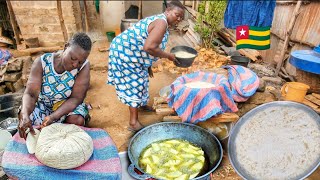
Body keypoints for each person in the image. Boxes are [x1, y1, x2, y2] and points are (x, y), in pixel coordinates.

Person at [107, 0, 185, 131]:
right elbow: (149, 46)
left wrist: (147, 64)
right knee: (134, 84)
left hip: (134, 53)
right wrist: (168, 56)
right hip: (125, 53)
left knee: (142, 78)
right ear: (167, 11)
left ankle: (140, 104)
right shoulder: (161, 23)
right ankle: (133, 122)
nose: (178, 19)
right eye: (177, 15)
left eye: (181, 17)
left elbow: (145, 41)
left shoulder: (162, 21)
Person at [18, 32, 92, 139]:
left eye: (80, 62)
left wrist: (53, 117)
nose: (75, 64)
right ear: (66, 47)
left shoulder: (84, 66)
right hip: (44, 105)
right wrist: (25, 115)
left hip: (67, 106)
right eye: (73, 58)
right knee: (24, 116)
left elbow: (76, 98)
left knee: (76, 120)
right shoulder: (42, 62)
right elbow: (31, 94)